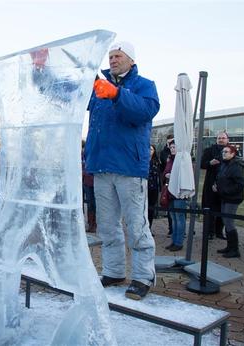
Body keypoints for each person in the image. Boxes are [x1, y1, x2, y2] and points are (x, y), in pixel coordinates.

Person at [85, 41, 159, 300]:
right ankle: (114, 271)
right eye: (111, 56)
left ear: (132, 60)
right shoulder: (97, 86)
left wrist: (117, 94)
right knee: (107, 226)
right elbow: (69, 96)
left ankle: (143, 276)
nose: (113, 60)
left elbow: (146, 111)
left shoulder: (144, 85)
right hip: (102, 165)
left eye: (118, 55)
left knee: (136, 225)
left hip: (129, 166)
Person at [213, 144, 244, 258]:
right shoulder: (224, 164)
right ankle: (229, 247)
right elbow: (220, 178)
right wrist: (216, 185)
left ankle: (235, 249)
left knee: (229, 222)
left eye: (226, 152)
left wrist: (225, 190)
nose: (224, 153)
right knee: (225, 220)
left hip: (232, 199)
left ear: (233, 154)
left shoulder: (236, 166)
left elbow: (240, 184)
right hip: (224, 197)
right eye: (223, 152)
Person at [201, 132, 229, 240]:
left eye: (223, 138)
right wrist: (210, 163)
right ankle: (209, 232)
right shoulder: (209, 150)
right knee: (209, 207)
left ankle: (219, 232)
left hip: (225, 184)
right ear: (216, 139)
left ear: (227, 139)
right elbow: (202, 164)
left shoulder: (230, 151)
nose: (221, 140)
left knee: (222, 209)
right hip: (210, 183)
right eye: (219, 138)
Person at [163, 142, 188, 251]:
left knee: (179, 218)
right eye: (171, 147)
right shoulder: (170, 160)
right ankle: (174, 240)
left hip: (179, 193)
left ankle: (179, 242)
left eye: (175, 147)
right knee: (173, 218)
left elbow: (184, 175)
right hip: (170, 192)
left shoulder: (183, 160)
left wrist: (171, 175)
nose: (173, 149)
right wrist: (166, 175)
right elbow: (164, 172)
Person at [82, 141, 97, 232]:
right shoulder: (84, 155)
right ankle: (90, 224)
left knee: (94, 204)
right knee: (89, 203)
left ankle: (94, 224)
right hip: (86, 182)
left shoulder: (96, 155)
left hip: (94, 182)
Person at [147, 145, 161, 229]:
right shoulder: (143, 160)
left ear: (154, 151)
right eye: (148, 149)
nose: (150, 151)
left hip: (154, 188)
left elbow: (159, 174)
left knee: (151, 208)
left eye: (151, 149)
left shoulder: (156, 162)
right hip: (144, 188)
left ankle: (149, 227)